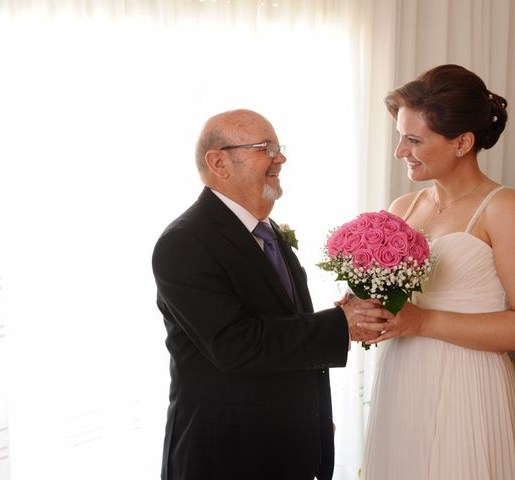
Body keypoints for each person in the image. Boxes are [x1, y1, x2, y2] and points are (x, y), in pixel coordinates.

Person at [151, 109, 382, 480]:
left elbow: (281, 326)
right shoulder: (185, 242)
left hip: (287, 448)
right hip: (226, 455)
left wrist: (315, 428)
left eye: (278, 147)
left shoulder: (268, 230)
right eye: (266, 148)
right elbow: (235, 344)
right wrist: (340, 325)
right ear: (219, 162)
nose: (280, 158)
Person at [354, 64, 515, 479]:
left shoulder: (505, 209)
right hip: (404, 379)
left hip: (470, 383)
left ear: (462, 142)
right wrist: (367, 308)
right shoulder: (401, 209)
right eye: (399, 138)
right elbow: (396, 306)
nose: (400, 152)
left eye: (413, 140)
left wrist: (422, 321)